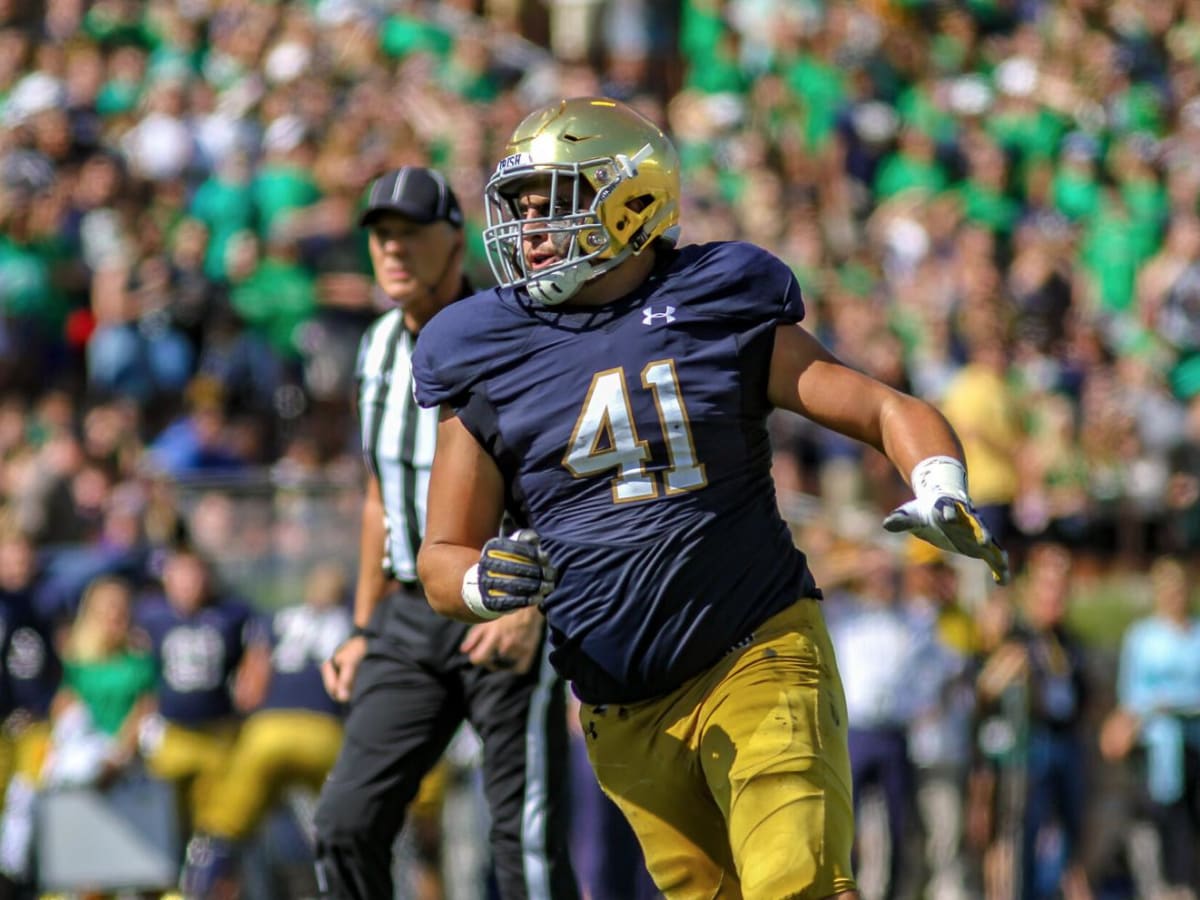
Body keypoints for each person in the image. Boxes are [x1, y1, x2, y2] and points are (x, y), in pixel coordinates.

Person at [411, 96, 1010, 900]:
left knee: (796, 885)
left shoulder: (714, 298)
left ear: (629, 200)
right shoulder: (483, 347)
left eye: (549, 201)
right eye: (519, 205)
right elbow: (441, 555)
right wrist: (484, 583)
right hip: (620, 705)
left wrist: (938, 481)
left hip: (754, 651)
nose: (527, 225)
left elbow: (881, 407)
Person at [312, 166, 578, 900]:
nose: (391, 250)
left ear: (454, 239)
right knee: (344, 823)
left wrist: (532, 605)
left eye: (409, 233)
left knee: (522, 842)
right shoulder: (372, 349)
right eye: (380, 236)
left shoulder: (513, 333)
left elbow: (559, 481)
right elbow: (380, 499)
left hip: (501, 600)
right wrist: (363, 626)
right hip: (405, 610)